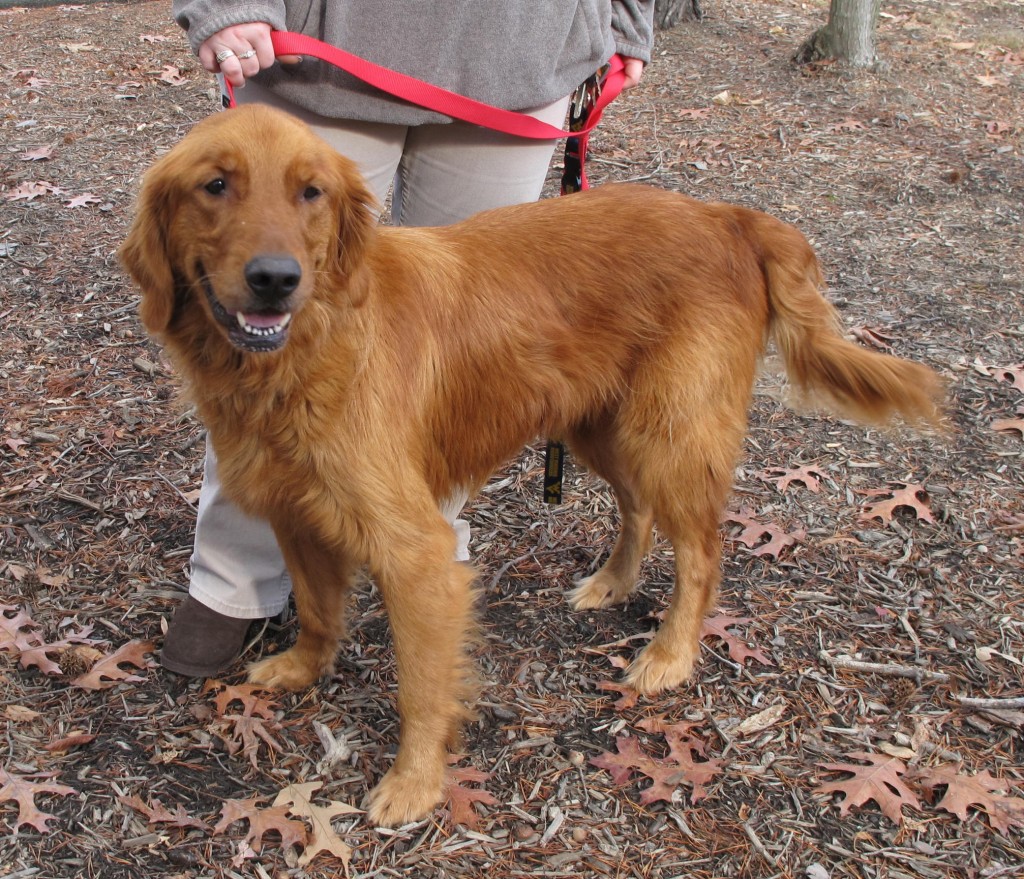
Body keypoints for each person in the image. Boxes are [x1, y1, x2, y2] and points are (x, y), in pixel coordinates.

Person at [161, 0, 656, 677]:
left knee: (466, 359)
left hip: (520, 52)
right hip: (318, 48)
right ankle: (234, 583)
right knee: (257, 338)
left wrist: (623, 20)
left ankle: (424, 556)